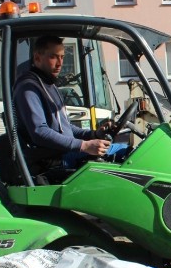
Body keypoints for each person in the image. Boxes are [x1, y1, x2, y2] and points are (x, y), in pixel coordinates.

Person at [13, 36, 124, 175]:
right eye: (53, 57)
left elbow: (66, 128)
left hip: (62, 153)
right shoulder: (28, 87)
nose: (60, 63)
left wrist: (93, 134)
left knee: (123, 151)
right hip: (52, 160)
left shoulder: (49, 84)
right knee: (124, 153)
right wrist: (84, 146)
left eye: (62, 57)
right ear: (37, 58)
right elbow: (39, 132)